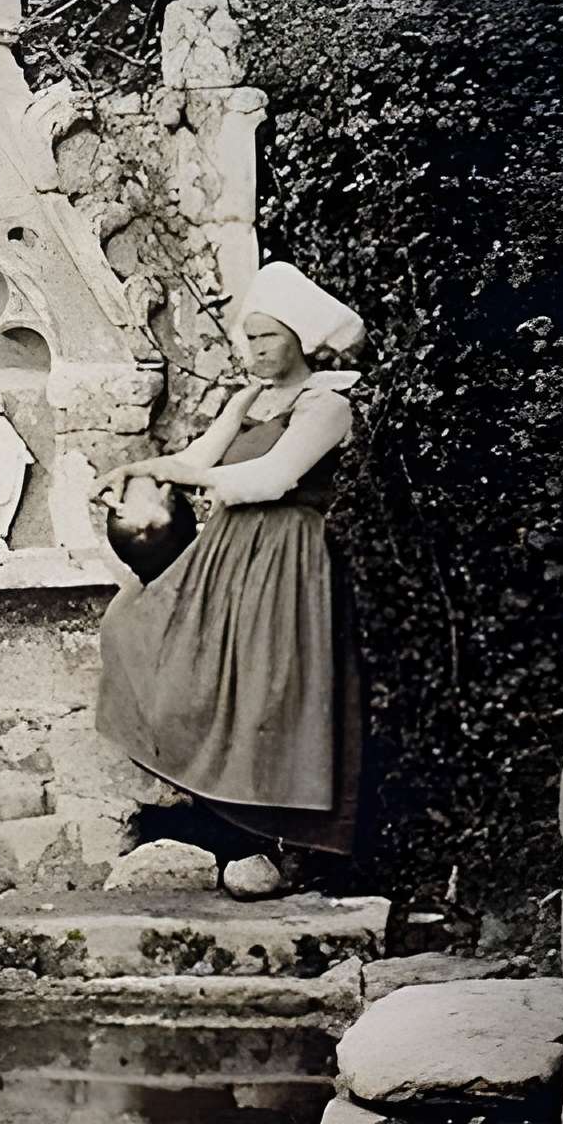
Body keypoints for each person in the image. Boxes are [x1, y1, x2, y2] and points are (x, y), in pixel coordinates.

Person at [93, 262, 366, 893]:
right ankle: (229, 822)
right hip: (228, 551)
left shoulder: (327, 404)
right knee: (140, 628)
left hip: (288, 555)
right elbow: (195, 458)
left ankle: (293, 844)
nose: (259, 350)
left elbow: (271, 479)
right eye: (250, 338)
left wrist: (191, 481)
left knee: (276, 690)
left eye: (270, 336)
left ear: (299, 337)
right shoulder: (248, 400)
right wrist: (136, 470)